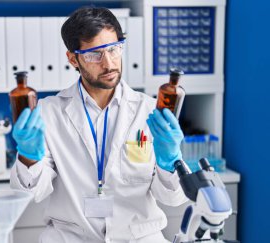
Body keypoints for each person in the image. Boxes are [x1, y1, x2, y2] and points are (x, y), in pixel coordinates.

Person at [10, 6, 188, 243]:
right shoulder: (48, 113)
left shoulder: (149, 111)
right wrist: (28, 157)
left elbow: (172, 198)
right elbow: (30, 193)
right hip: (71, 238)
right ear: (73, 58)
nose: (109, 63)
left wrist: (169, 163)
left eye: (114, 49)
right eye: (95, 54)